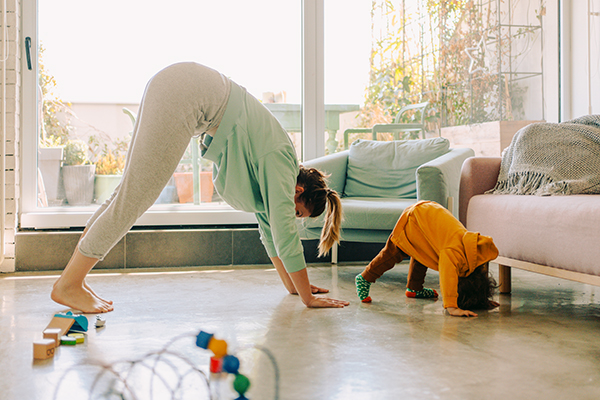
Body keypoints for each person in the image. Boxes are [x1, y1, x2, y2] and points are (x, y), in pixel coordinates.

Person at [51, 62, 349, 313]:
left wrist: (293, 285)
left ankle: (74, 279)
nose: (289, 214)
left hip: (177, 85)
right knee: (135, 197)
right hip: (184, 94)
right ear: (298, 191)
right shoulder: (280, 161)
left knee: (126, 192)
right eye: (297, 212)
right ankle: (70, 283)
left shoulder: (275, 160)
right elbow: (283, 233)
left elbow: (270, 231)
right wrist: (308, 299)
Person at [355, 200, 499, 317]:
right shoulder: (453, 253)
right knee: (393, 253)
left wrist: (483, 300)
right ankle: (365, 277)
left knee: (426, 252)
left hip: (429, 212)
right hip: (414, 218)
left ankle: (414, 288)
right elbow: (448, 276)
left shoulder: (473, 250)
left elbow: (481, 271)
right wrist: (452, 306)